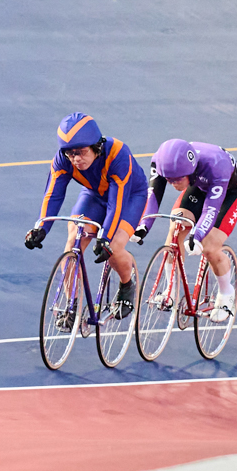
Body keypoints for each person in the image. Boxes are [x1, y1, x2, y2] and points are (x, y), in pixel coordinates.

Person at [25, 114, 146, 319]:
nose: (75, 159)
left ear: (96, 147)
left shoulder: (117, 154)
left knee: (114, 248)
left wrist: (105, 238)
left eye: (80, 152)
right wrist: (41, 227)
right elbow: (53, 194)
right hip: (95, 194)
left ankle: (127, 283)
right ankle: (71, 304)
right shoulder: (62, 159)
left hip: (129, 197)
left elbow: (116, 205)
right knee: (73, 239)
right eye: (70, 154)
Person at [138, 138, 237, 325]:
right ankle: (170, 291)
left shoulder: (216, 166)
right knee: (176, 226)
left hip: (228, 192)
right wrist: (143, 226)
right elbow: (153, 196)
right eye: (168, 180)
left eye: (177, 179)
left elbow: (211, 210)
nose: (173, 184)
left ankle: (226, 293)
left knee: (209, 246)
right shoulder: (161, 161)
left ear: (189, 170)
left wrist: (196, 236)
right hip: (198, 185)